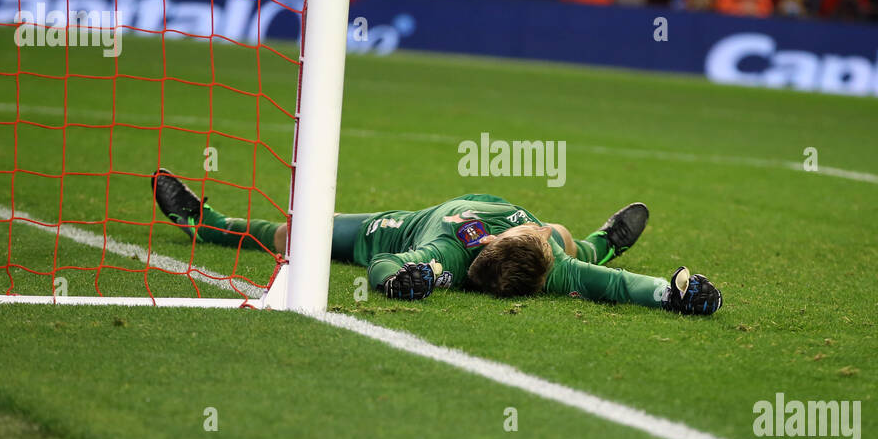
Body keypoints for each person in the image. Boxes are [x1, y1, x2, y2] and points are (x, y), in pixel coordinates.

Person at [151, 170, 722, 316]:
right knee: (576, 244)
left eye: (535, 231)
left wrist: (405, 278)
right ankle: (605, 240)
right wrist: (673, 293)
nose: (539, 227)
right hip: (426, 224)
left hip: (395, 226)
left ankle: (208, 221)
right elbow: (616, 288)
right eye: (538, 232)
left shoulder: (448, 252)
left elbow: (387, 267)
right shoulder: (553, 259)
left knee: (297, 232)